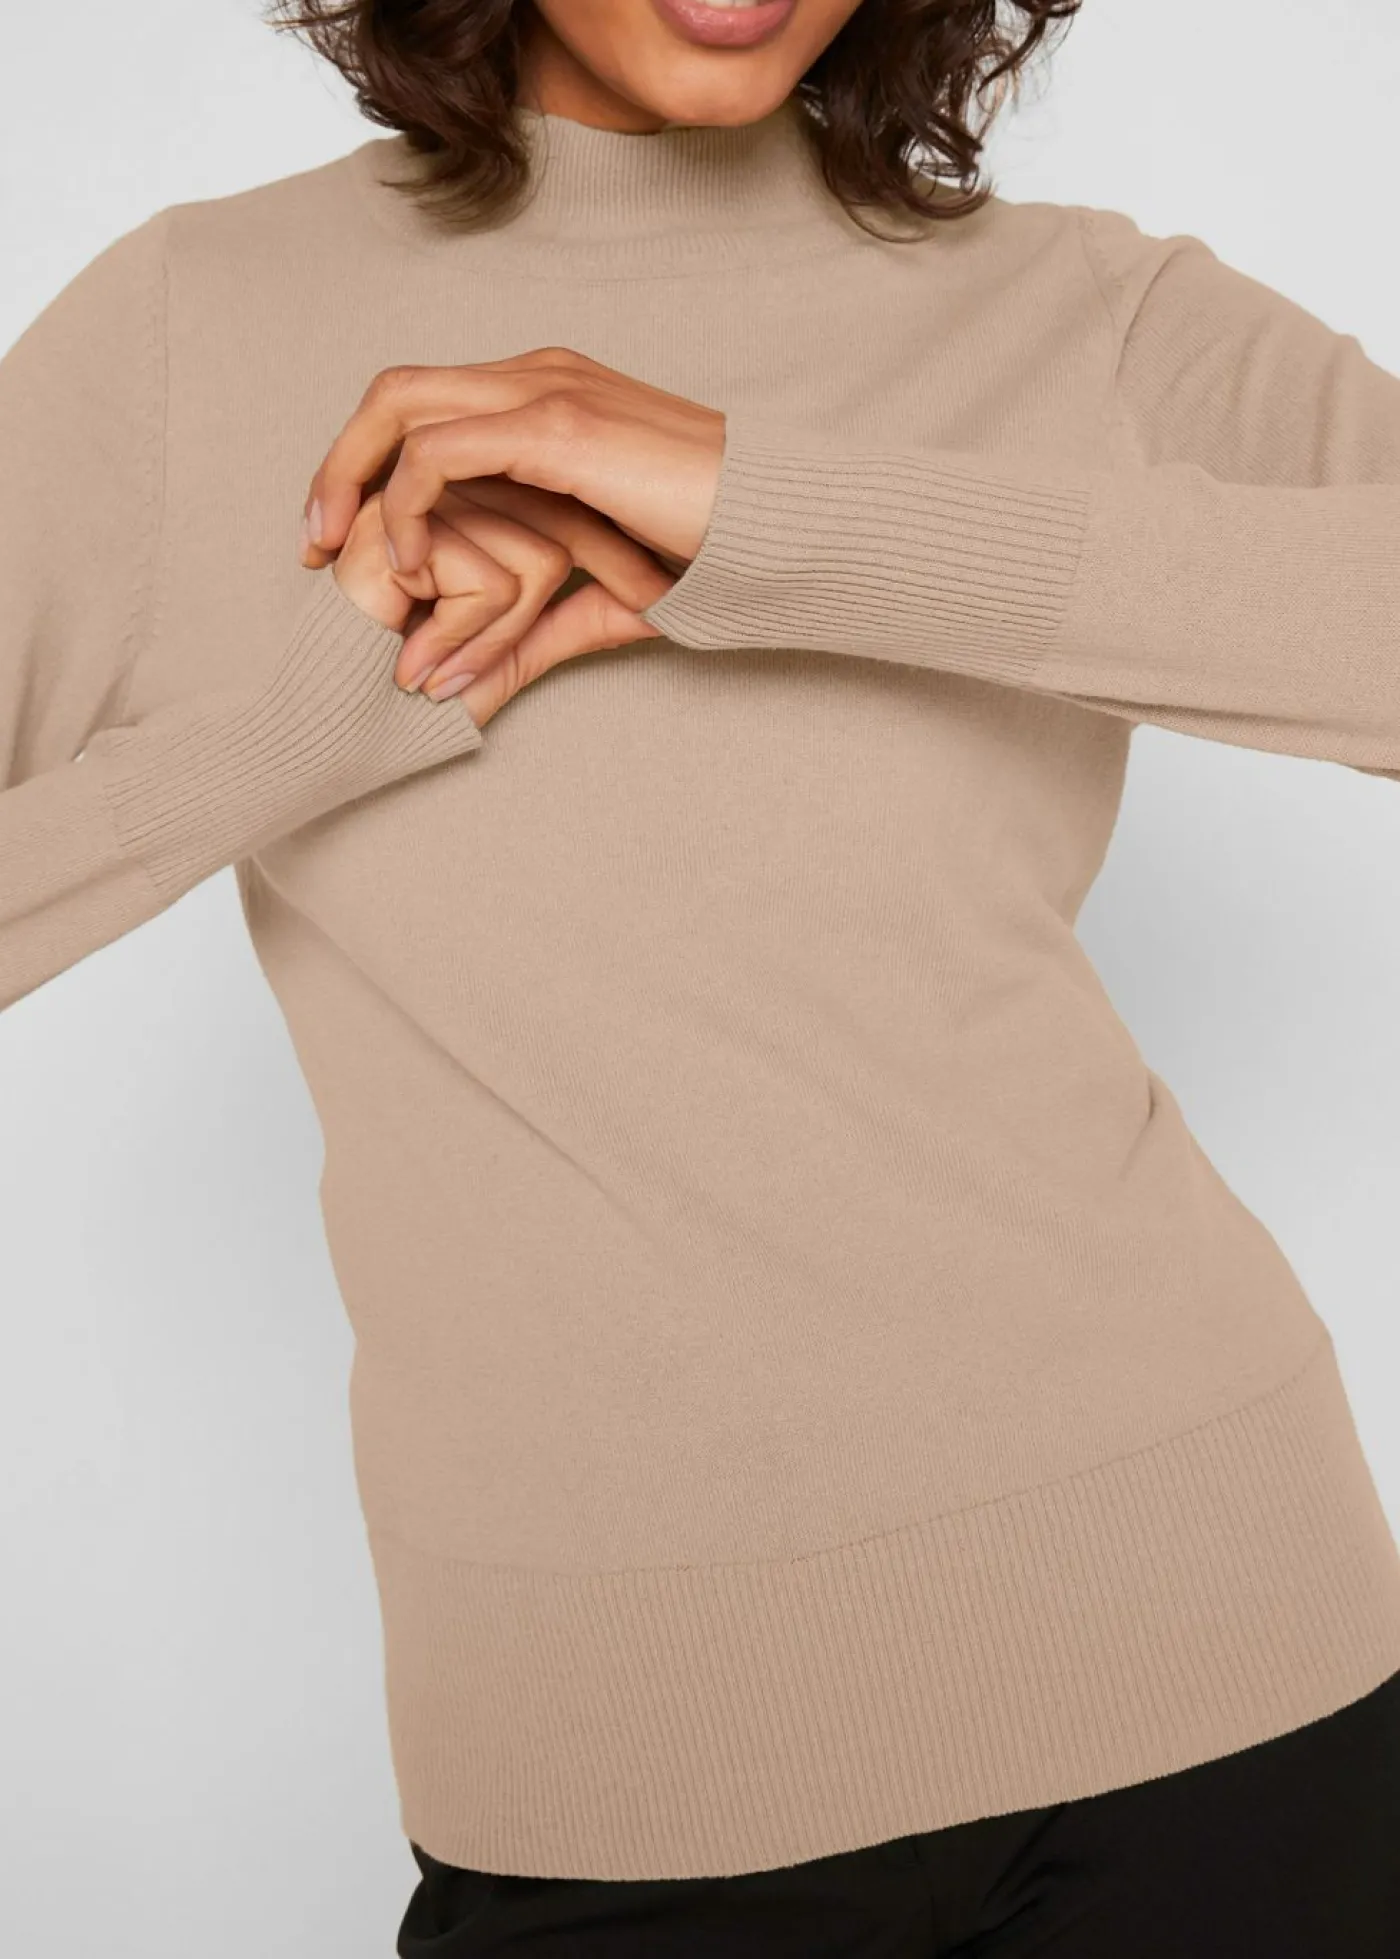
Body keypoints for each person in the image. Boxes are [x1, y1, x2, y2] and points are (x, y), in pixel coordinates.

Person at [2, 0, 1398, 1950]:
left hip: (1221, 1653)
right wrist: (309, 722)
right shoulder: (190, 327)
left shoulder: (1083, 309)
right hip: (611, 1778)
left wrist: (774, 513)